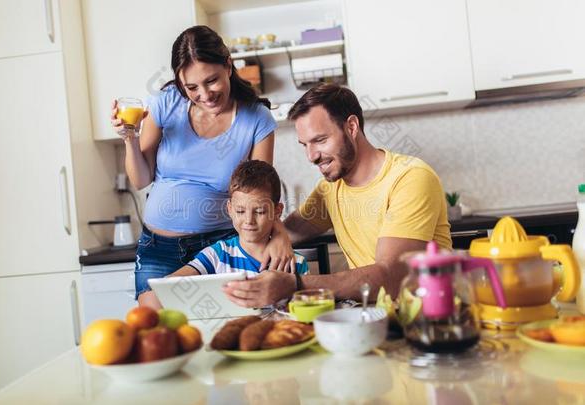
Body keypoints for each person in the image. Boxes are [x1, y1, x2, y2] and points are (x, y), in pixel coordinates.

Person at [110, 26, 295, 308]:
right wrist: (130, 138)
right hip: (158, 249)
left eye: (212, 81)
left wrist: (279, 232)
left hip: (221, 247)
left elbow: (260, 189)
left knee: (222, 329)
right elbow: (140, 178)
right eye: (192, 87)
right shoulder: (165, 104)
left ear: (228, 66)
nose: (205, 94)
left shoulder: (256, 118)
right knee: (157, 333)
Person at [223, 84, 452, 307]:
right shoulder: (331, 189)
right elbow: (289, 229)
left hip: (432, 318)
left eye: (320, 140)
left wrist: (295, 284)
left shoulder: (410, 177)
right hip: (379, 317)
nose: (311, 156)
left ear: (351, 127)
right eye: (304, 145)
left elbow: (391, 276)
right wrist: (280, 233)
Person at [142, 161, 307, 309]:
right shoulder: (217, 254)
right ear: (229, 209)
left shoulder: (295, 263)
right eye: (240, 211)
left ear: (277, 211)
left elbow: (306, 310)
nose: (249, 220)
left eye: (260, 211)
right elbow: (170, 284)